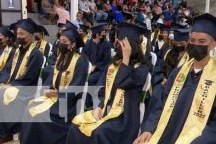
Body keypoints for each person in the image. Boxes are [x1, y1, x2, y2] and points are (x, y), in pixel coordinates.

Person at [134, 13, 216, 144]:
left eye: (202, 42)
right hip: (165, 132)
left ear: (213, 45)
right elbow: (161, 104)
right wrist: (148, 129)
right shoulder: (178, 73)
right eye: (192, 40)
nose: (196, 45)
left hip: (196, 139)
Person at [65, 22, 149, 144]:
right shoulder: (113, 65)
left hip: (124, 117)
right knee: (76, 124)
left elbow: (123, 82)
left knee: (98, 133)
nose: (118, 47)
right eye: (119, 43)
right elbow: (101, 88)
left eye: (122, 44)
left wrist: (126, 59)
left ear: (131, 46)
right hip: (106, 110)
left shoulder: (142, 69)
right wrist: (98, 106)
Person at [20, 29, 88, 144]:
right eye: (60, 40)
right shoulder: (61, 58)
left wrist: (57, 94)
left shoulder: (81, 61)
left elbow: (76, 89)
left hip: (68, 103)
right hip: (53, 97)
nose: (60, 43)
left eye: (64, 41)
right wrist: (46, 91)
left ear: (73, 44)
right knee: (30, 109)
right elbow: (51, 79)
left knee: (39, 116)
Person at [0, 18, 43, 143]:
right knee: (0, 90)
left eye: (21, 34)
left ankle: (7, 132)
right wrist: (6, 82)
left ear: (30, 36)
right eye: (18, 33)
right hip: (14, 84)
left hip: (26, 89)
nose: (18, 36)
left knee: (1, 93)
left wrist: (11, 85)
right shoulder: (18, 51)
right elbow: (9, 69)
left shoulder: (36, 54)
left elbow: (29, 77)